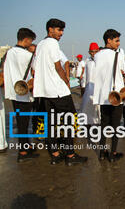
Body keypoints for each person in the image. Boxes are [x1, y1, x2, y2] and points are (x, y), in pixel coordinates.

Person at [33, 19, 87, 165]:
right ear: (50, 29)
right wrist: (66, 82)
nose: (61, 33)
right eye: (59, 30)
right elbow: (59, 66)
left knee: (51, 123)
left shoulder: (40, 45)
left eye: (62, 30)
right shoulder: (52, 43)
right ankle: (70, 155)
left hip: (44, 92)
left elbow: (34, 68)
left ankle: (55, 154)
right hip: (58, 91)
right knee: (69, 122)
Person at [3, 28, 40, 162]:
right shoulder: (28, 56)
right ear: (26, 39)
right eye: (30, 41)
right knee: (24, 123)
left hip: (14, 93)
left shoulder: (9, 53)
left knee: (20, 121)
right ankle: (23, 152)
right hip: (25, 93)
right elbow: (36, 72)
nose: (31, 44)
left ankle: (26, 145)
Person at [93, 29, 125, 162]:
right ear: (109, 40)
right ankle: (113, 153)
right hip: (116, 95)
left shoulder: (97, 55)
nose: (118, 43)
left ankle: (102, 152)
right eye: (116, 40)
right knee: (116, 126)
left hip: (103, 96)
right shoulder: (119, 55)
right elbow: (123, 71)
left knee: (103, 125)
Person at [79, 42, 100, 126]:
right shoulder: (87, 61)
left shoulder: (101, 61)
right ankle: (86, 122)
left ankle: (98, 122)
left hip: (97, 87)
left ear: (98, 51)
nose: (93, 53)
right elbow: (85, 74)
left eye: (95, 51)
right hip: (88, 87)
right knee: (86, 105)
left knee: (97, 106)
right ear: (89, 52)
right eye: (91, 52)